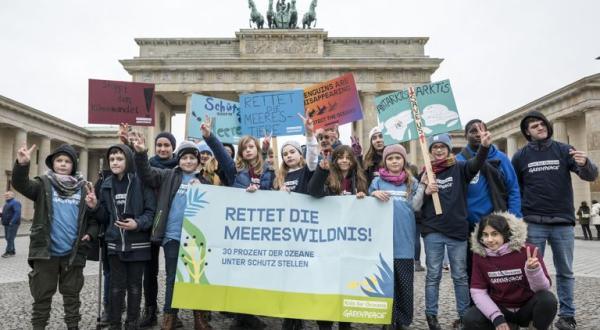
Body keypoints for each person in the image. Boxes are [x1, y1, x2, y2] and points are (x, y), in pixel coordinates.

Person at [511, 111, 598, 330]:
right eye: (534, 126)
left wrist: (586, 163)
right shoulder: (520, 156)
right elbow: (515, 188)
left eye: (542, 124)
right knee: (531, 270)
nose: (540, 127)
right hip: (533, 222)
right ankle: (534, 314)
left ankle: (567, 316)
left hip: (562, 222)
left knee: (565, 271)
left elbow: (590, 175)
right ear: (527, 133)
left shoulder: (563, 150)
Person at [12, 143, 98, 330]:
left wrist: (90, 233)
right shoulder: (43, 185)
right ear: (52, 163)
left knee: (72, 296)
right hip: (45, 252)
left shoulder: (84, 189)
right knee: (41, 296)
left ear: (73, 165)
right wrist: (22, 164)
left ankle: (73, 326)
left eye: (67, 161)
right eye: (59, 160)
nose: (63, 164)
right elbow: (21, 184)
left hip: (73, 253)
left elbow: (92, 219)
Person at [133, 137, 214, 330]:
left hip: (196, 238)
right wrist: (141, 153)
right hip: (172, 236)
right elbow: (146, 174)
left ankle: (199, 319)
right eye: (184, 158)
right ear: (178, 160)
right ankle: (169, 319)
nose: (188, 161)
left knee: (196, 278)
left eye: (192, 158)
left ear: (198, 160)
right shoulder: (168, 175)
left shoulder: (205, 179)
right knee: (172, 278)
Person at [201, 118, 272, 329]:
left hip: (260, 231)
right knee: (238, 273)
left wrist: (259, 193)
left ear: (257, 150)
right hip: (238, 230)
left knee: (254, 274)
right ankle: (241, 317)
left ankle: (248, 314)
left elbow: (270, 195)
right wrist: (209, 136)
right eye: (244, 148)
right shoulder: (234, 171)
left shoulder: (266, 172)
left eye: (251, 147)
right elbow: (222, 155)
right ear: (240, 153)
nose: (248, 150)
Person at [420, 127, 491, 330]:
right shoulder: (425, 171)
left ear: (449, 149)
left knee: (459, 276)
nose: (439, 150)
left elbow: (476, 164)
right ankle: (431, 316)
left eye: (443, 146)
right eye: (435, 147)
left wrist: (484, 148)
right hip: (433, 230)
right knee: (433, 275)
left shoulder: (460, 168)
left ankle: (464, 316)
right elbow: (416, 202)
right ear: (431, 150)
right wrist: (425, 190)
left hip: (457, 230)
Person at [88, 144, 156, 330]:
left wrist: (138, 224)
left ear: (128, 160)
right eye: (112, 159)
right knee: (116, 288)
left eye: (119, 159)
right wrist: (94, 206)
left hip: (138, 244)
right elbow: (104, 217)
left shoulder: (141, 182)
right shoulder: (107, 184)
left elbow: (151, 212)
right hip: (115, 244)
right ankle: (115, 324)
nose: (115, 162)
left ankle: (132, 323)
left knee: (135, 287)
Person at [308, 144, 368, 330]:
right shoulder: (327, 176)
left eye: (348, 157)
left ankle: (345, 322)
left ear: (352, 161)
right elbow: (314, 191)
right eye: (340, 157)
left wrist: (363, 197)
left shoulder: (359, 180)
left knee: (347, 282)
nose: (344, 160)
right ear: (334, 160)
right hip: (329, 240)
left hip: (350, 241)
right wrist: (321, 170)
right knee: (327, 283)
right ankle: (324, 323)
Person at [456, 119, 522, 286]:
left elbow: (513, 189)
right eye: (473, 131)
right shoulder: (459, 160)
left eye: (481, 130)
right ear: (466, 136)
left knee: (500, 270)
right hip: (469, 227)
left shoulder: (501, 158)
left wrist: (513, 219)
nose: (478, 134)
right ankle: (476, 307)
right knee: (472, 271)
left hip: (497, 226)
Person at [463, 212, 557, 330]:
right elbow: (478, 291)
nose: (489, 239)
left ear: (505, 233)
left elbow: (543, 289)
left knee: (548, 299)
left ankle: (535, 326)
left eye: (494, 234)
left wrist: (533, 271)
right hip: (501, 309)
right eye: (485, 235)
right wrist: (496, 317)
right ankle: (510, 326)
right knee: (470, 318)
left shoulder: (528, 251)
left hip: (526, 308)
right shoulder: (479, 255)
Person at [369, 144, 427, 330]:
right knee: (386, 285)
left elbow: (416, 206)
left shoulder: (412, 182)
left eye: (398, 158)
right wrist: (373, 194)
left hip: (404, 243)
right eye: (390, 158)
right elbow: (367, 205)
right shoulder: (377, 182)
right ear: (385, 161)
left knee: (404, 285)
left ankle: (403, 321)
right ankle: (388, 319)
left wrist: (424, 185)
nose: (394, 161)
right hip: (383, 244)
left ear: (404, 160)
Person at [273, 114, 317, 330]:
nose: (289, 156)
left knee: (301, 278)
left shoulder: (307, 171)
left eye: (292, 152)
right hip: (284, 236)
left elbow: (313, 159)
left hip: (303, 235)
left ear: (300, 154)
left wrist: (309, 135)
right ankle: (289, 318)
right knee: (285, 279)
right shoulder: (279, 177)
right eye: (285, 153)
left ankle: (299, 316)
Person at [2, 191, 21, 257]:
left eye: (8, 195)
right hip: (6, 223)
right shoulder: (7, 204)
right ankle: (12, 251)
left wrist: (12, 222)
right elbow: (5, 214)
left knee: (10, 238)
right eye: (5, 195)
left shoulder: (15, 202)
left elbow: (17, 213)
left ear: (12, 196)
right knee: (8, 238)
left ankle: (8, 252)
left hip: (13, 224)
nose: (6, 196)